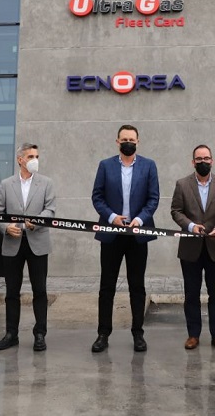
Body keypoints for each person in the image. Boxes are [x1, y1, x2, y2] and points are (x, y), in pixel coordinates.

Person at [91, 125, 160, 353]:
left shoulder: (149, 166)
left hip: (137, 235)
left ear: (138, 141)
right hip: (111, 234)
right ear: (117, 141)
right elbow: (97, 197)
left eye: (132, 139)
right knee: (106, 287)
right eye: (124, 139)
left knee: (137, 286)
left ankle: (138, 334)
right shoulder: (105, 165)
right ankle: (103, 334)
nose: (128, 142)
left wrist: (139, 220)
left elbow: (153, 198)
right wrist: (111, 217)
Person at [170, 144, 215, 351]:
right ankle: (193, 335)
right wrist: (190, 226)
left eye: (206, 158)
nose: (203, 162)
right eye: (199, 159)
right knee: (191, 293)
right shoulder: (182, 184)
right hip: (190, 247)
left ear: (212, 160)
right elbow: (176, 211)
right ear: (193, 162)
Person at [0, 143, 55, 352]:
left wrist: (37, 221)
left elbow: (50, 210)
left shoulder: (46, 183)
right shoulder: (6, 184)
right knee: (12, 292)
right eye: (30, 156)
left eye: (37, 156)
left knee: (40, 291)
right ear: (20, 159)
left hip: (38, 243)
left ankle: (40, 334)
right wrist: (6, 227)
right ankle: (11, 334)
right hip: (13, 243)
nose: (34, 159)